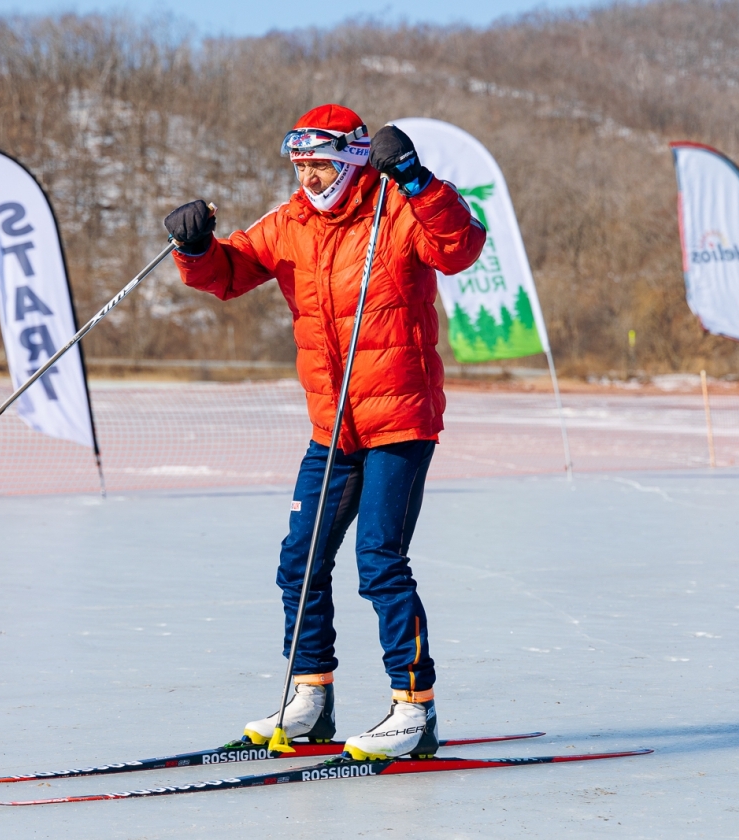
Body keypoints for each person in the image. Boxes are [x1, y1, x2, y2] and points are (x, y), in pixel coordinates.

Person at [163, 104, 485, 760]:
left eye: (320, 164)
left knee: (379, 562)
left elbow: (460, 248)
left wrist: (419, 181)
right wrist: (194, 248)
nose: (308, 177)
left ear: (352, 160)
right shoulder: (292, 224)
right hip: (333, 429)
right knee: (300, 561)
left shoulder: (396, 209)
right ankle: (310, 699)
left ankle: (414, 709)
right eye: (300, 165)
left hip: (398, 419)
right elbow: (230, 272)